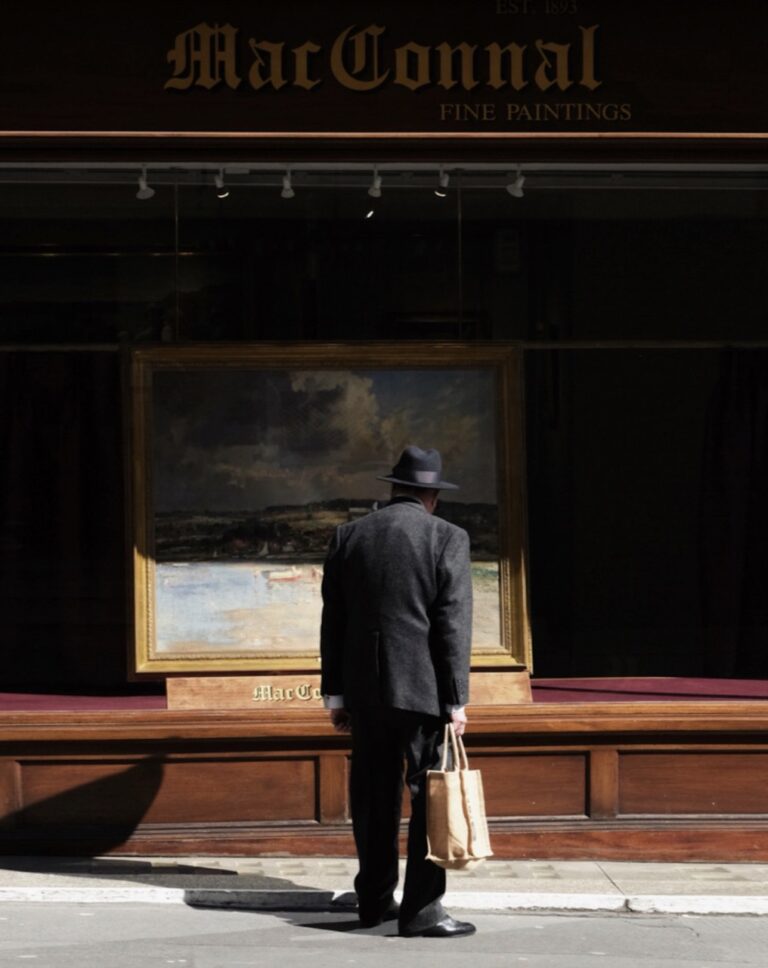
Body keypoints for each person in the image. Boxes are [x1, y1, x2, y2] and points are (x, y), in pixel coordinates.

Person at [320, 445, 475, 938]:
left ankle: (373, 901)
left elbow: (333, 624)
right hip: (423, 691)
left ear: (394, 489)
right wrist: (456, 700)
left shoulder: (348, 536)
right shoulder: (446, 538)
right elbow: (451, 625)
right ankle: (423, 911)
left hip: (365, 691)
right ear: (432, 495)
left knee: (371, 796)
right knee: (428, 798)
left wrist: (336, 697)